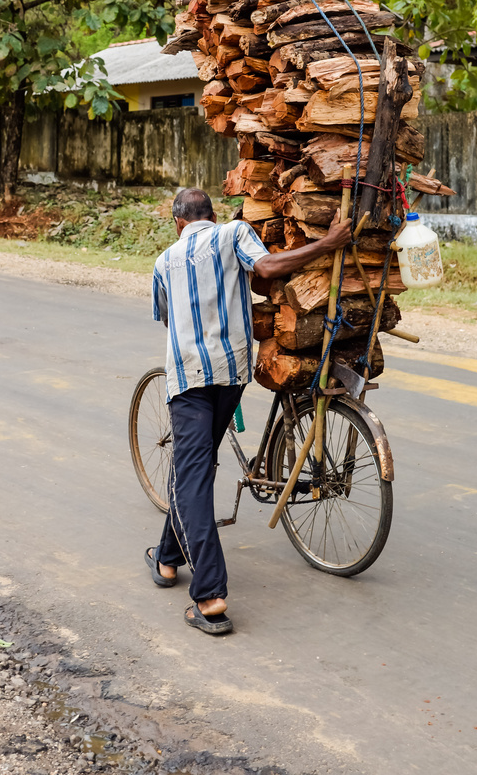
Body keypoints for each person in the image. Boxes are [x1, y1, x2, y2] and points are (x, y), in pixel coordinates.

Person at [147, 187, 351, 635]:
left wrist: (328, 242)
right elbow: (266, 268)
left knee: (193, 473)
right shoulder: (233, 233)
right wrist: (328, 244)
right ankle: (165, 558)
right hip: (231, 377)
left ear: (178, 223)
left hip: (189, 380)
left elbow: (166, 316)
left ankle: (210, 595)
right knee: (194, 467)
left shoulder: (165, 261)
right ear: (211, 216)